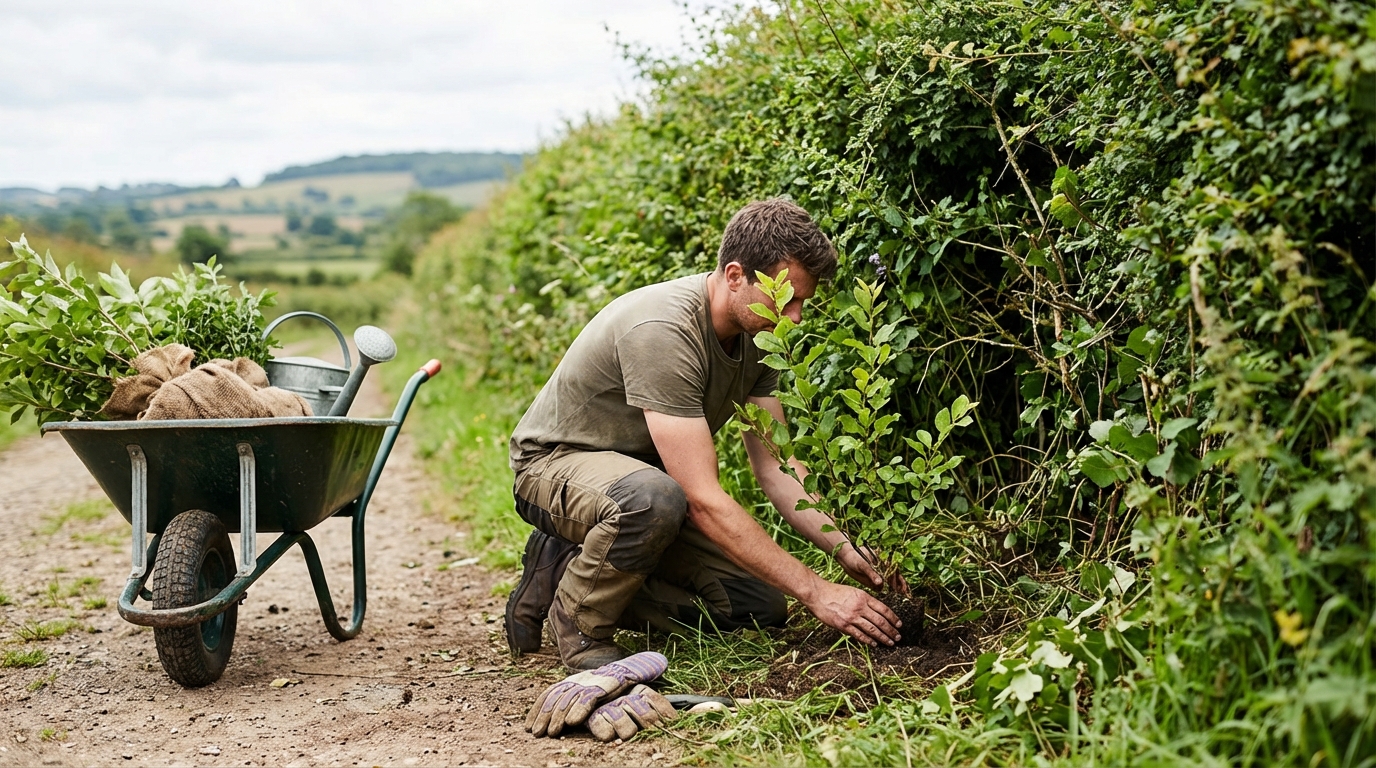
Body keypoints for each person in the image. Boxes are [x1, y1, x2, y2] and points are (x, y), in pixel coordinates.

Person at [504, 198, 907, 670]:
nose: (796, 316)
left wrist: (845, 546)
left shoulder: (759, 336)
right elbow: (701, 498)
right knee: (654, 499)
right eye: (787, 299)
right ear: (735, 276)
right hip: (554, 467)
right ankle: (580, 625)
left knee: (758, 607)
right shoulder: (663, 330)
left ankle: (568, 567)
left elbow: (777, 467)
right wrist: (817, 593)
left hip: (645, 486)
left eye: (802, 301)